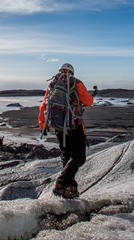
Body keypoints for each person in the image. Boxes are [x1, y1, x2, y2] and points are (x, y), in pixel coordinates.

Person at [38, 63, 93, 199]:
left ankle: (70, 188)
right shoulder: (76, 83)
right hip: (74, 125)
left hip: (57, 125)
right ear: (72, 72)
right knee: (78, 157)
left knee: (66, 155)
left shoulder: (52, 84)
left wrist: (42, 124)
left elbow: (44, 104)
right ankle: (60, 184)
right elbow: (88, 101)